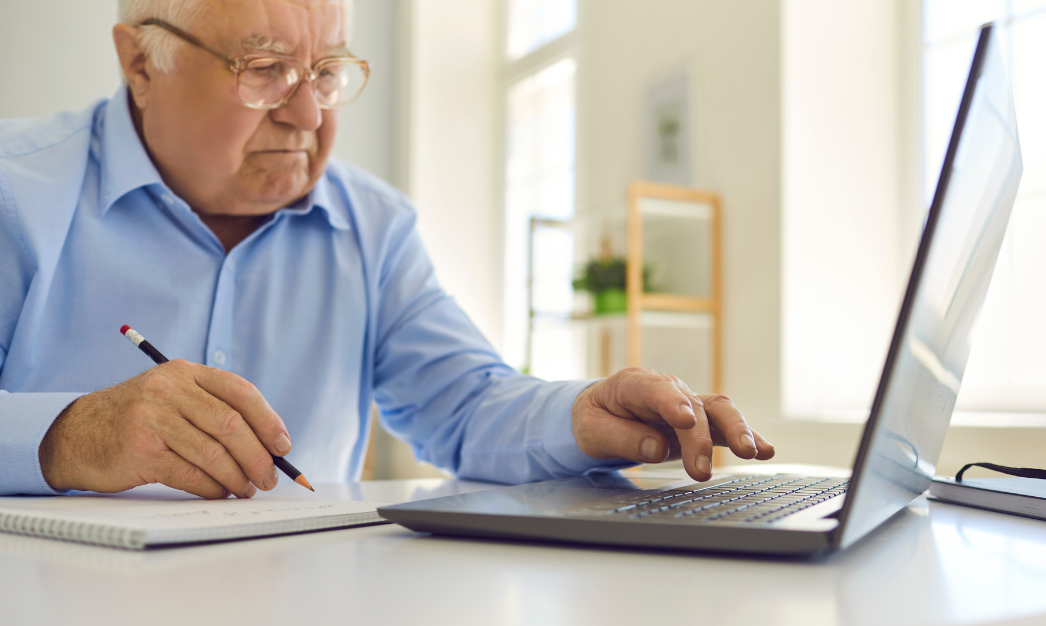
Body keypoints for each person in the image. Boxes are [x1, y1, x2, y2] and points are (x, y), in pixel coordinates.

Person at [0, 0, 774, 499]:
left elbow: (469, 408)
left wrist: (582, 414)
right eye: (266, 71)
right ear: (140, 63)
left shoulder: (373, 225)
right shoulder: (16, 192)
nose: (307, 114)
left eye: (328, 71)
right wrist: (69, 434)